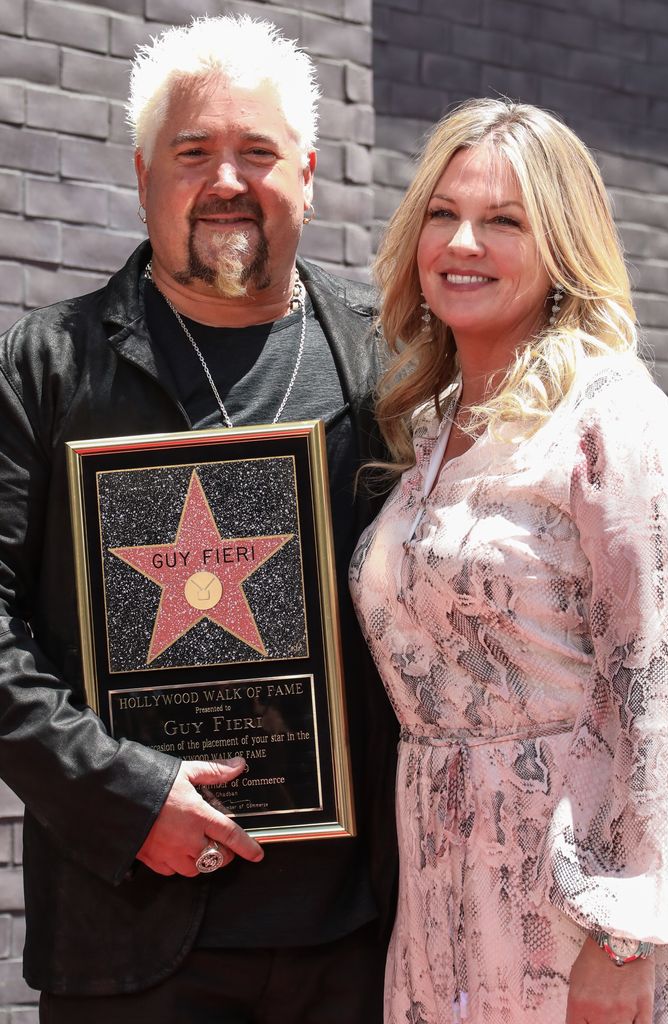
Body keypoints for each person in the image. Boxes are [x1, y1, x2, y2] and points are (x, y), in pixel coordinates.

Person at [0, 15, 397, 1023]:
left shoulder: (394, 365)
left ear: (307, 172)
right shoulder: (45, 370)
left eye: (258, 152)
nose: (228, 179)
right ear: (143, 175)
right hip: (130, 943)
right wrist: (123, 797)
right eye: (194, 152)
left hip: (364, 942)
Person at [349, 98, 668, 1024]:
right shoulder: (428, 432)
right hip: (437, 903)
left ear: (560, 246)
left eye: (503, 220)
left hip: (579, 914)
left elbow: (660, 687)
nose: (463, 241)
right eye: (443, 213)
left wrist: (629, 932)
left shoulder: (609, 417)